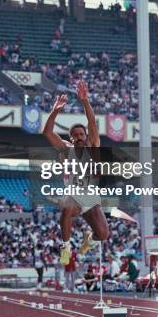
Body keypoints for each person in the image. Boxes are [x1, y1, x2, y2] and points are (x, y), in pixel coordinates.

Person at [43, 80, 109, 266]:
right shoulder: (66, 149)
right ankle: (66, 247)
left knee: (103, 234)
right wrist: (55, 109)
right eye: (76, 135)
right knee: (66, 207)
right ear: (71, 138)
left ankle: (89, 240)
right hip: (73, 195)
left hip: (90, 198)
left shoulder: (92, 146)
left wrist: (85, 101)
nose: (80, 137)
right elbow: (47, 132)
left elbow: (92, 123)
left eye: (82, 134)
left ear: (86, 136)